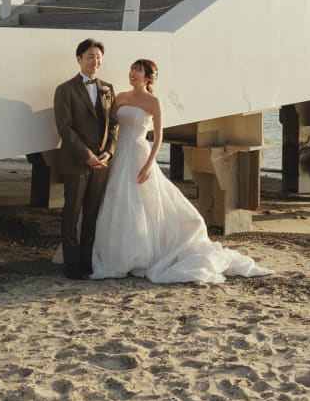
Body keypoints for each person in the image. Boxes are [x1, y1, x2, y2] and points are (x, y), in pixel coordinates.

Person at [91, 59, 272, 284]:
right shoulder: (121, 98)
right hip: (119, 155)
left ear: (148, 77)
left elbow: (158, 138)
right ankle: (116, 252)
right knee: (117, 199)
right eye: (131, 70)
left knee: (141, 202)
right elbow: (112, 129)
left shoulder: (153, 101)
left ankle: (141, 254)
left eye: (137, 70)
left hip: (139, 153)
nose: (132, 74)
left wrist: (148, 165)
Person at [53, 38, 119, 280]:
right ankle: (72, 264)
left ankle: (88, 261)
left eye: (99, 56)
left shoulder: (108, 88)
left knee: (92, 214)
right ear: (79, 58)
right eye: (90, 56)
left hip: (102, 163)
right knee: (71, 213)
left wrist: (108, 152)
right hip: (76, 161)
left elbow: (114, 124)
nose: (95, 61)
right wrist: (87, 156)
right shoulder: (65, 89)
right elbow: (65, 128)